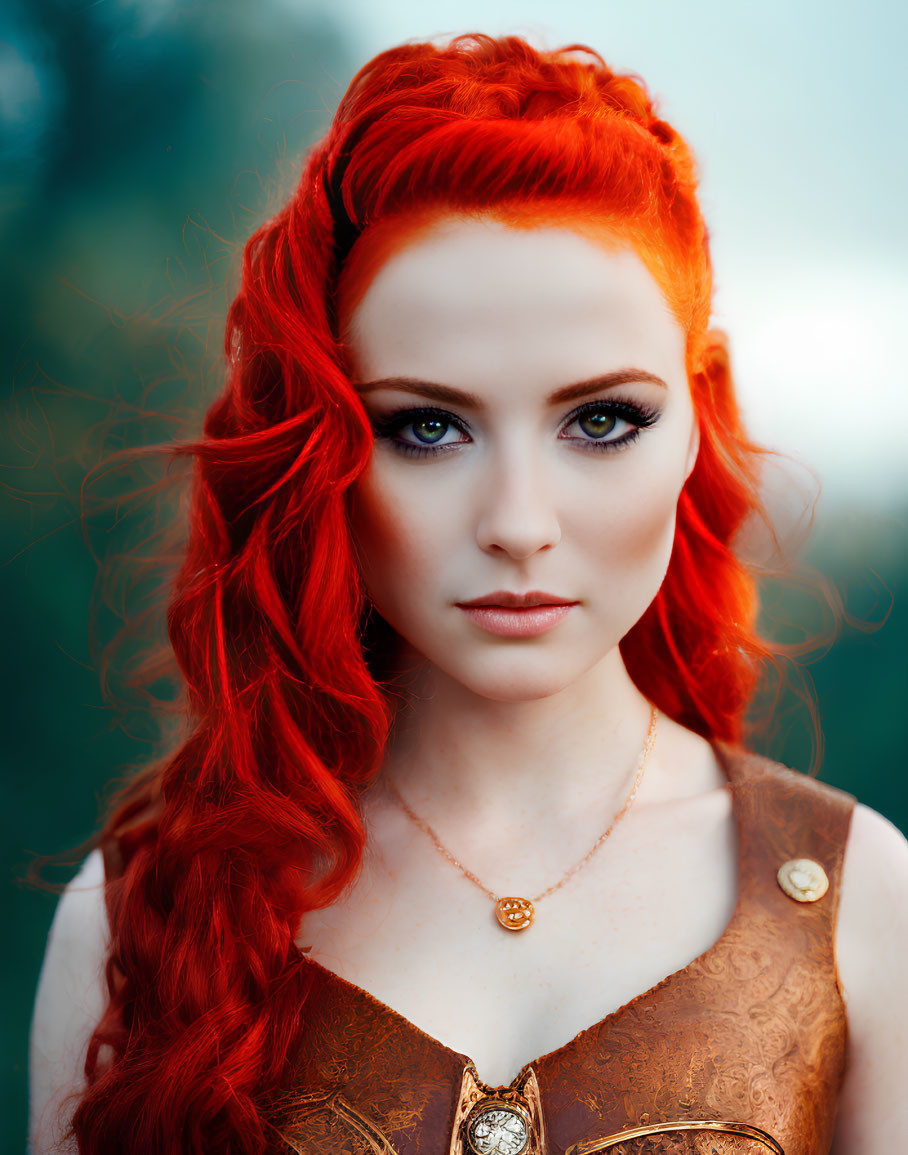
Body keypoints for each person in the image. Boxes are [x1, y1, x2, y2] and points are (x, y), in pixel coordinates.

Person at [28, 32, 907, 1155]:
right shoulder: (134, 921)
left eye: (600, 420)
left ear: (695, 424)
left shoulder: (850, 903)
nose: (518, 522)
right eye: (425, 426)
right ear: (321, 450)